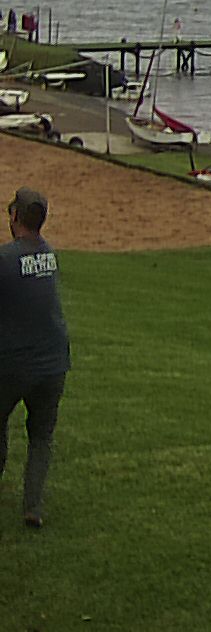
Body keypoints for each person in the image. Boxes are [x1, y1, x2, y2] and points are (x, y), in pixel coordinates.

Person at [0, 188, 66, 528]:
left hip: (14, 364)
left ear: (15, 216)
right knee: (41, 437)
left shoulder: (6, 258)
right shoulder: (49, 254)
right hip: (54, 362)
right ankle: (33, 508)